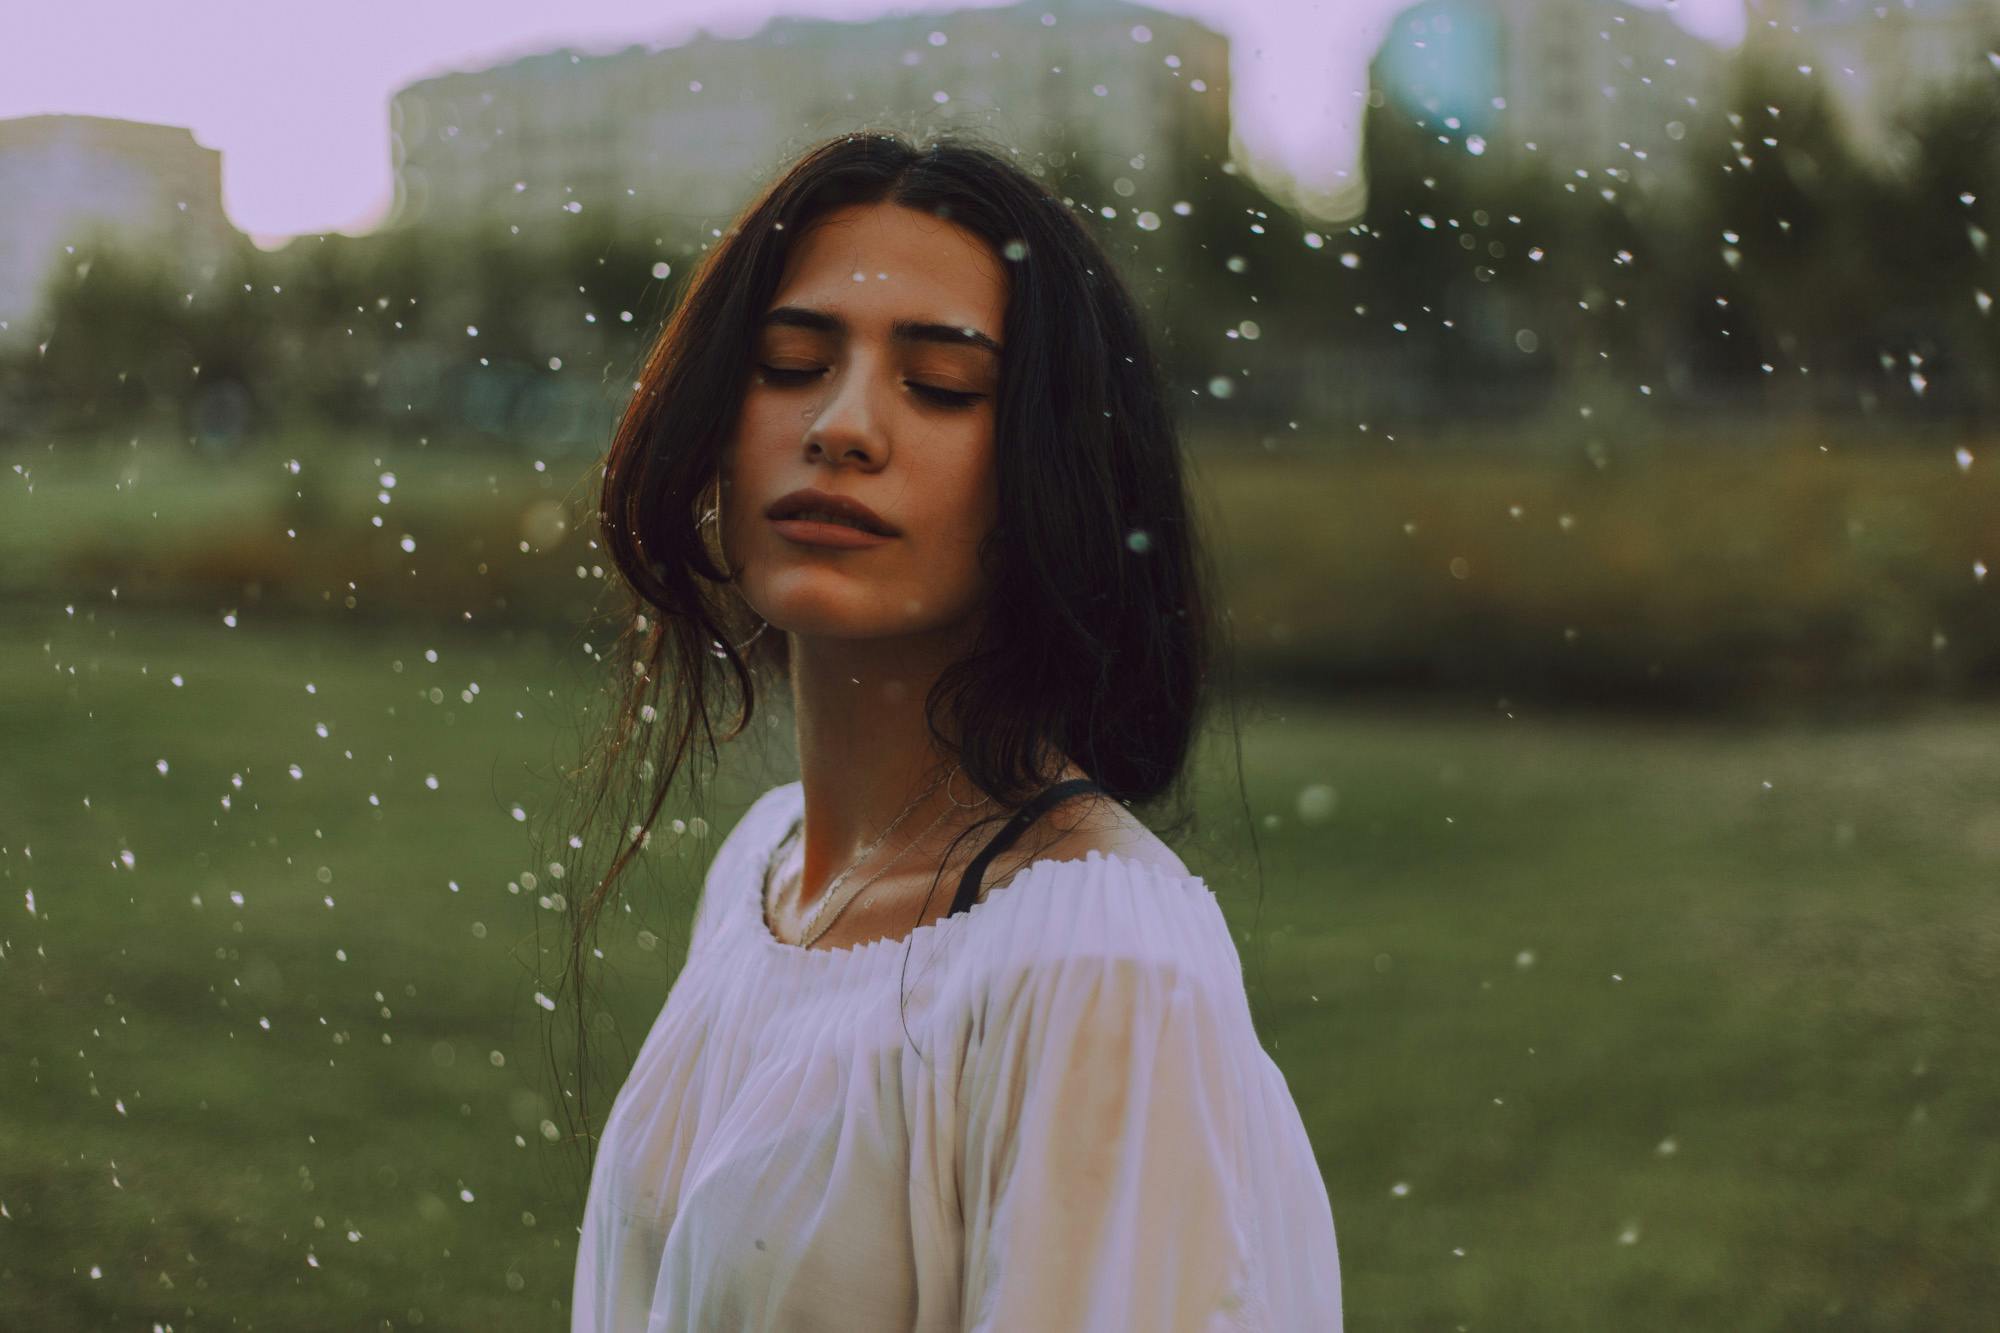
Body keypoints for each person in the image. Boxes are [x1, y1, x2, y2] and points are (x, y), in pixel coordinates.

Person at [563, 129, 1342, 1330]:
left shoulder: (1092, 965)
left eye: (941, 385)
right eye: (786, 362)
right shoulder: (762, 875)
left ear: (1051, 468)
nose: (843, 424)